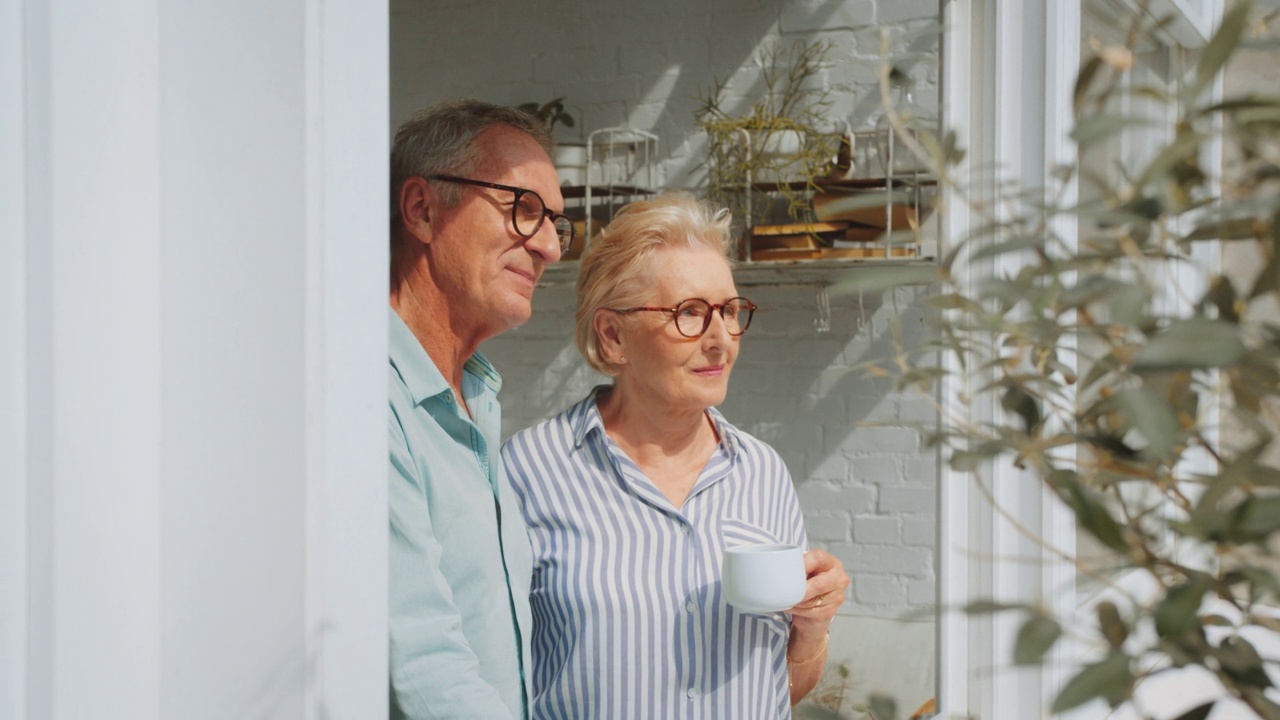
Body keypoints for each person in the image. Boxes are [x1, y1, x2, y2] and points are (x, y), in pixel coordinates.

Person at [502, 193, 851, 719]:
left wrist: (812, 628)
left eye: (730, 312)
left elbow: (780, 689)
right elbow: (487, 671)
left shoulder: (763, 473)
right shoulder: (529, 470)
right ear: (613, 334)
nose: (721, 341)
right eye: (689, 313)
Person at [388, 98, 571, 719]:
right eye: (524, 211)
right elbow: (418, 664)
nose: (549, 245)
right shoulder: (367, 398)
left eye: (555, 223)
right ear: (422, 210)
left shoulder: (476, 399)